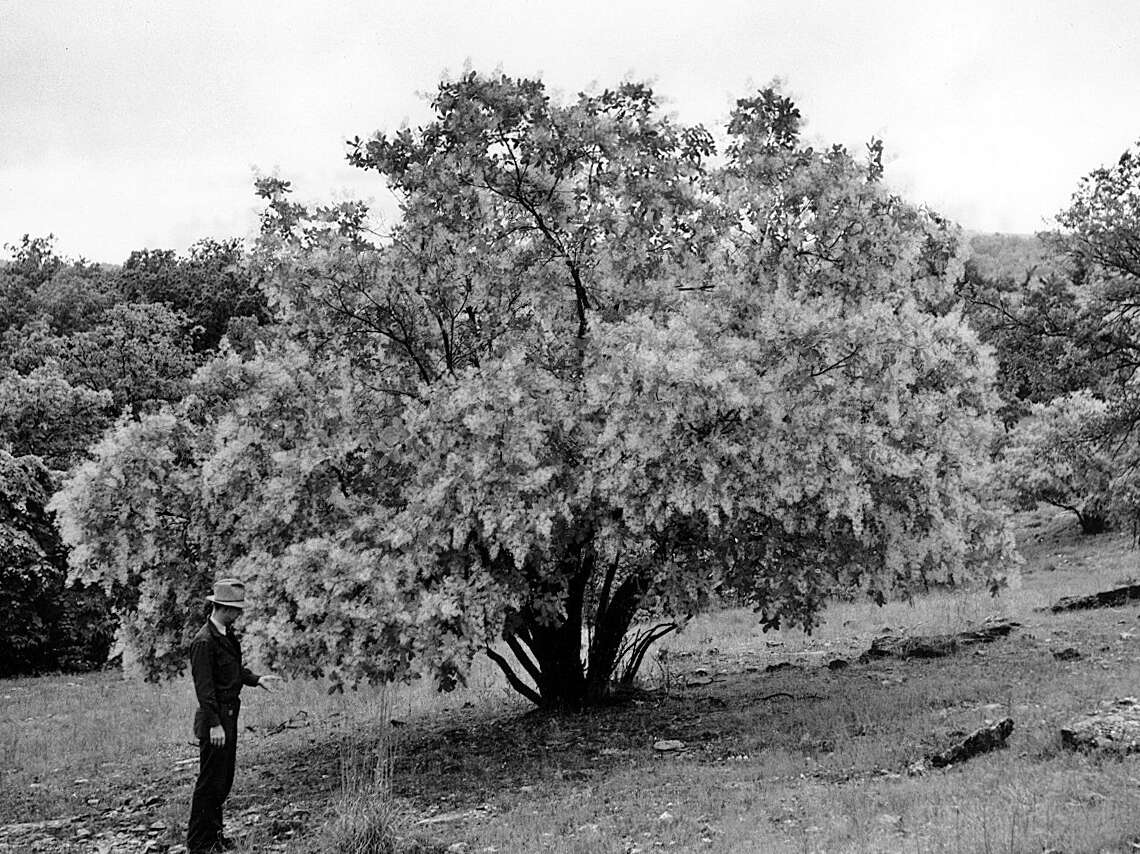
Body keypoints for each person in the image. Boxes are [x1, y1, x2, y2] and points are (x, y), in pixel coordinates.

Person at [186, 578, 281, 854]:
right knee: (209, 782)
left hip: (228, 715)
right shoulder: (204, 642)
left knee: (223, 780)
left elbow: (233, 670)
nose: (239, 615)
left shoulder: (225, 635)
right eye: (236, 610)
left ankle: (214, 836)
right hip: (215, 719)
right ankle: (199, 843)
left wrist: (257, 679)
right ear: (224, 608)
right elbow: (204, 690)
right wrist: (215, 724)